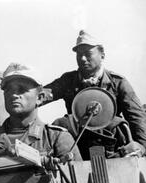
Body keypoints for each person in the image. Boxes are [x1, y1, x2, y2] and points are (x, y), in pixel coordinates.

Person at [43, 30, 146, 158]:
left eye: (88, 54)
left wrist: (142, 146)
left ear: (102, 54)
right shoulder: (68, 80)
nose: (82, 59)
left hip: (110, 148)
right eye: (79, 54)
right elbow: (41, 96)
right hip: (76, 147)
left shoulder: (117, 82)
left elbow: (136, 116)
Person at [0, 62, 82, 163]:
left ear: (39, 98)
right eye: (9, 90)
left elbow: (77, 177)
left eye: (22, 90)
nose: (14, 95)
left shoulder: (56, 138)